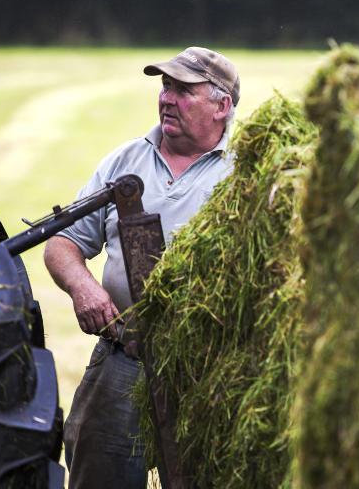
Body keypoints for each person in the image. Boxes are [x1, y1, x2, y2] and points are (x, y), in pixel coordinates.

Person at [44, 47, 240, 489]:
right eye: (165, 87)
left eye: (184, 90)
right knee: (100, 475)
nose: (167, 98)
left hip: (209, 371)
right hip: (124, 358)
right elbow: (63, 242)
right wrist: (84, 288)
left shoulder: (245, 170)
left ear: (222, 105)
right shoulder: (126, 161)